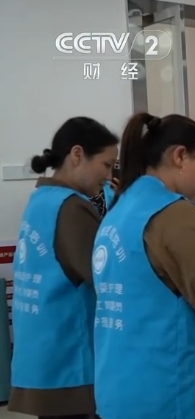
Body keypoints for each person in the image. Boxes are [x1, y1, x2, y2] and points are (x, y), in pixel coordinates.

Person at [92, 112, 195, 419]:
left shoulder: (118, 213)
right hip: (169, 391)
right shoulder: (175, 216)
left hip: (120, 387)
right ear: (180, 156)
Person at [9, 117, 118, 419]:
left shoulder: (40, 200)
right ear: (77, 154)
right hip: (70, 365)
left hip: (40, 358)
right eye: (106, 165)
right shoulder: (72, 208)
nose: (109, 176)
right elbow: (106, 279)